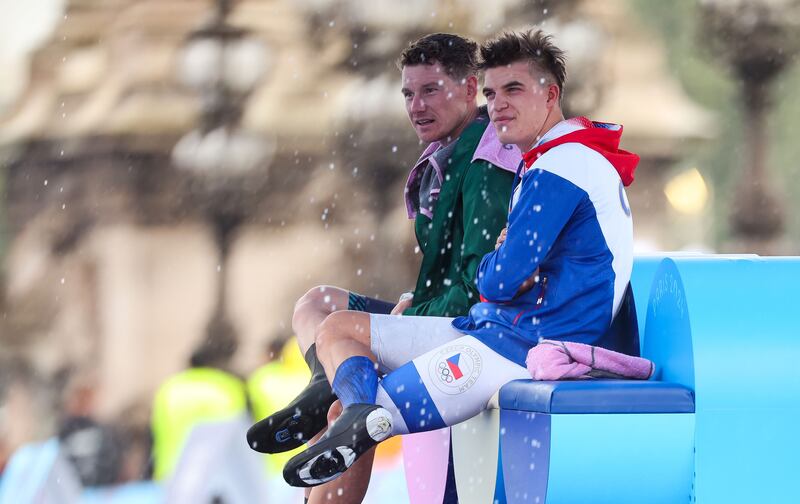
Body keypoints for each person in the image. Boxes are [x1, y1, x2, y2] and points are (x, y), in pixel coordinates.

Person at [278, 28, 639, 491]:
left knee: (347, 416)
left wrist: (499, 265)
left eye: (513, 89)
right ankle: (352, 407)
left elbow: (500, 279)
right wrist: (505, 264)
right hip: (499, 334)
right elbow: (510, 274)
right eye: (492, 92)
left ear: (551, 95)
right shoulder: (562, 159)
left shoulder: (562, 165)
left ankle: (354, 410)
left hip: (516, 349)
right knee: (342, 377)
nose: (499, 105)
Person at [151, 331, 248, 481]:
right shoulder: (227, 387)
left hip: (171, 473)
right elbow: (240, 432)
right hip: (217, 475)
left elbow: (154, 431)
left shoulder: (169, 388)